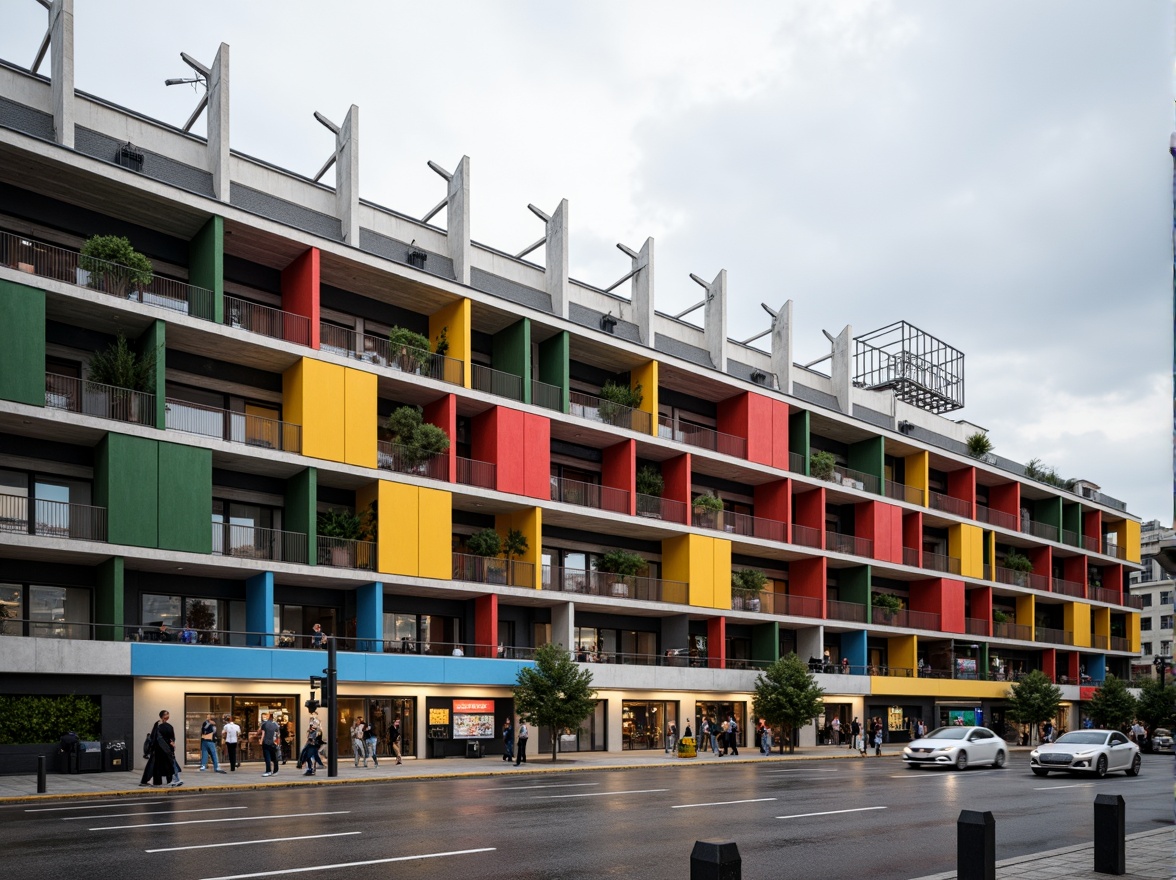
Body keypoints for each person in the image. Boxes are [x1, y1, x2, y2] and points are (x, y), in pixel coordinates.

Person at [150, 709, 177, 787]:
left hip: (167, 748)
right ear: (162, 716)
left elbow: (172, 736)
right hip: (159, 748)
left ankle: (169, 780)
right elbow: (154, 736)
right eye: (166, 714)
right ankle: (157, 781)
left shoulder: (169, 726)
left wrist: (172, 742)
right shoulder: (158, 725)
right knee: (158, 764)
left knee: (168, 764)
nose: (167, 716)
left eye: (168, 714)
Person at [259, 711, 281, 776]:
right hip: (274, 742)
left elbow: (263, 734)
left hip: (266, 742)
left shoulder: (264, 724)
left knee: (267, 757)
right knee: (274, 757)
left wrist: (261, 741)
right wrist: (278, 743)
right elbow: (278, 735)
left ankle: (268, 771)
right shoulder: (276, 725)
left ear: (268, 716)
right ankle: (275, 771)